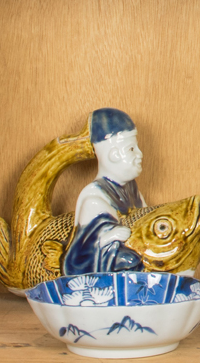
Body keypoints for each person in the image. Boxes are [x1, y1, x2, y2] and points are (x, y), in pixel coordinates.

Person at [62, 108, 147, 275]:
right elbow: (83, 251)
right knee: (130, 261)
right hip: (111, 264)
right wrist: (111, 237)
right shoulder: (95, 199)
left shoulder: (132, 190)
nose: (140, 154)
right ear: (113, 154)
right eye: (131, 149)